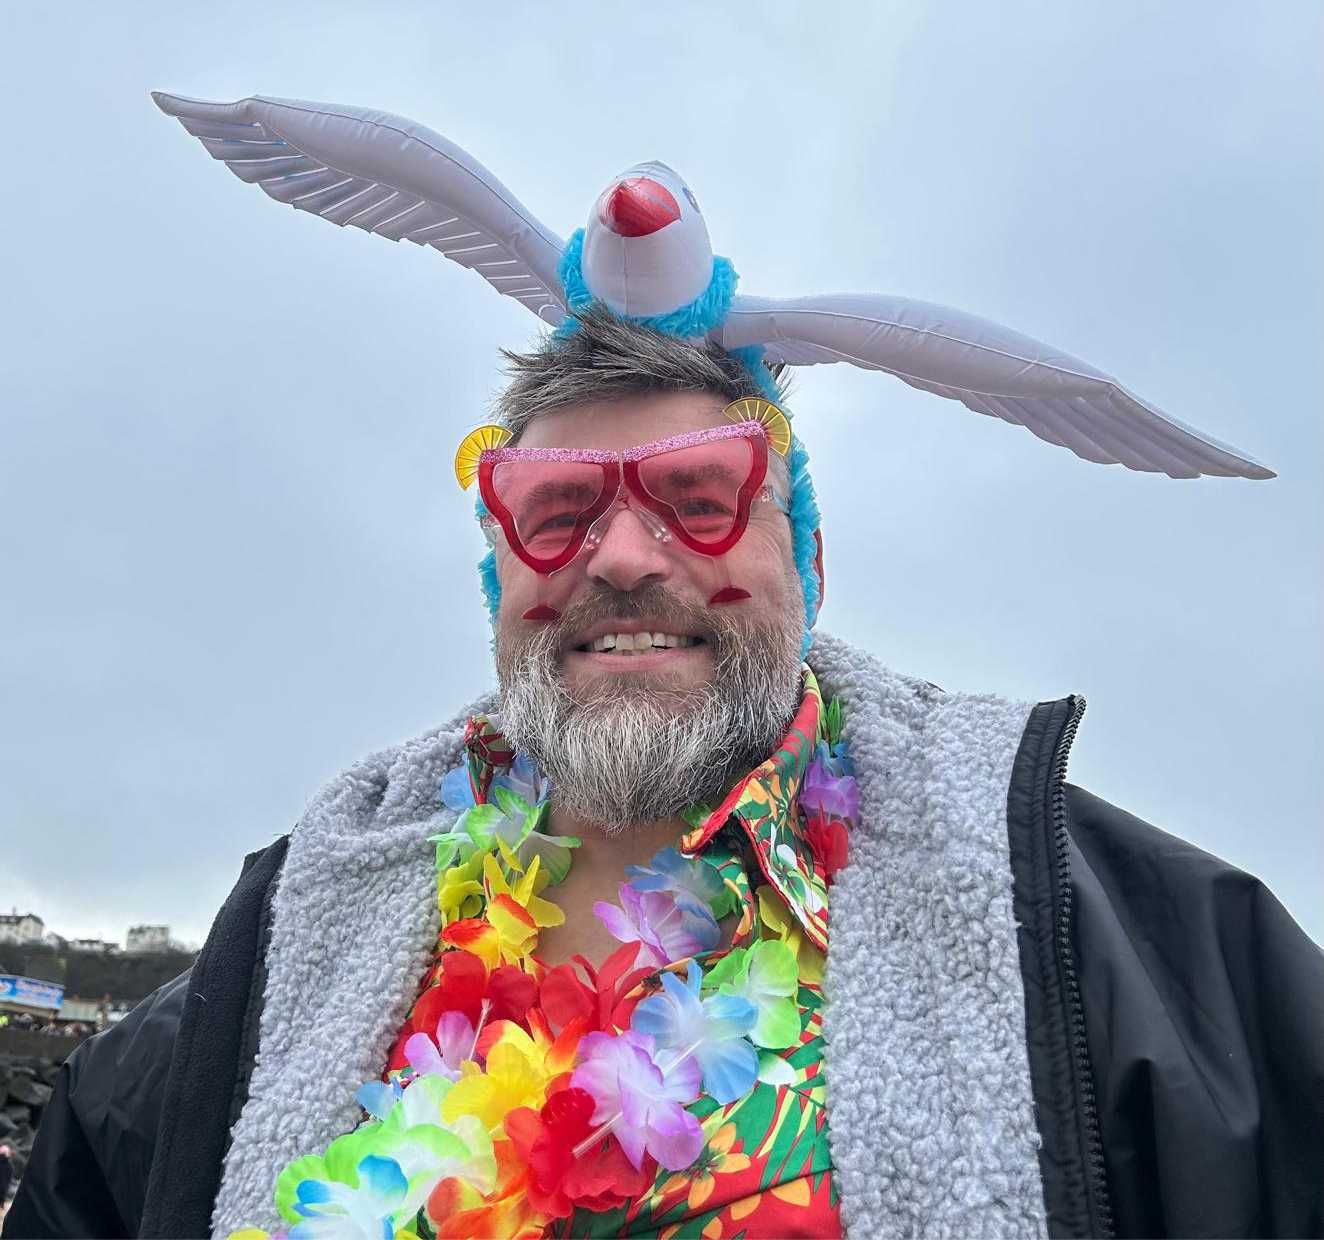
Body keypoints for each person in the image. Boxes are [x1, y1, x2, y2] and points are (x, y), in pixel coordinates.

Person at [6, 96, 1321, 1240]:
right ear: (500, 570)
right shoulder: (256, 984)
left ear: (801, 558)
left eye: (699, 495)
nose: (626, 558)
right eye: (559, 508)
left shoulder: (1156, 971)